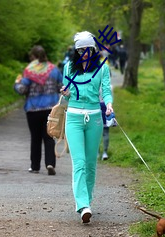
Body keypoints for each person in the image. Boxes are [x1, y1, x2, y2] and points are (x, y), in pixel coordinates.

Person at [60, 31, 113, 223]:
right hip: (73, 118)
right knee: (79, 163)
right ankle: (82, 205)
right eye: (80, 50)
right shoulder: (69, 68)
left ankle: (87, 201)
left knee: (91, 164)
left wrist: (109, 104)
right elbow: (66, 94)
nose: (83, 53)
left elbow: (106, 90)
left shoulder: (102, 68)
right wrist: (65, 92)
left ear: (93, 50)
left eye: (87, 49)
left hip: (95, 119)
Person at [14, 45, 63, 175]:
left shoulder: (29, 71)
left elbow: (22, 90)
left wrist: (17, 83)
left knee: (35, 138)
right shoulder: (54, 70)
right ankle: (50, 163)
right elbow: (62, 87)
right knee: (49, 137)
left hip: (33, 109)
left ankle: (35, 166)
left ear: (33, 57)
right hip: (50, 109)